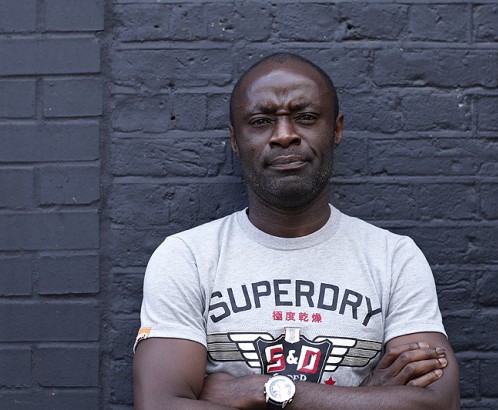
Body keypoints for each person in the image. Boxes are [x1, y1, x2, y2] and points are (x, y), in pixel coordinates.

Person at [133, 52, 459, 409]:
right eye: (261, 121)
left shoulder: (393, 257)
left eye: (305, 117)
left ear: (336, 130)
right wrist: (365, 396)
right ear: (235, 140)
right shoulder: (187, 257)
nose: (285, 135)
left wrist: (257, 391)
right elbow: (160, 405)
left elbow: (437, 404)